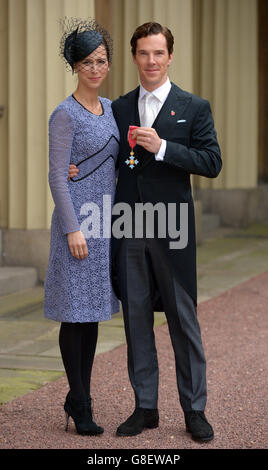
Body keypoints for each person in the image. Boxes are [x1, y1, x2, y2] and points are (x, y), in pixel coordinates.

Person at [69, 22, 222, 442]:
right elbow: (102, 154)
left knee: (182, 322)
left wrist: (165, 148)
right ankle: (146, 407)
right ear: (135, 58)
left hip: (173, 231)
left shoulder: (194, 107)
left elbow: (212, 162)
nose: (151, 61)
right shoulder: (118, 109)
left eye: (158, 53)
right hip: (129, 228)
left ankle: (194, 410)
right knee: (136, 321)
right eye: (143, 54)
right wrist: (74, 168)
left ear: (170, 56)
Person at [44, 18, 119, 436]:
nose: (95, 68)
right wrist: (73, 228)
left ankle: (77, 396)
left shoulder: (111, 109)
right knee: (74, 316)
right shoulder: (64, 114)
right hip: (76, 226)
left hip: (104, 225)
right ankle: (82, 402)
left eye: (101, 60)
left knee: (90, 316)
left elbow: (118, 159)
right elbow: (57, 176)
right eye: (87, 62)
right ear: (75, 65)